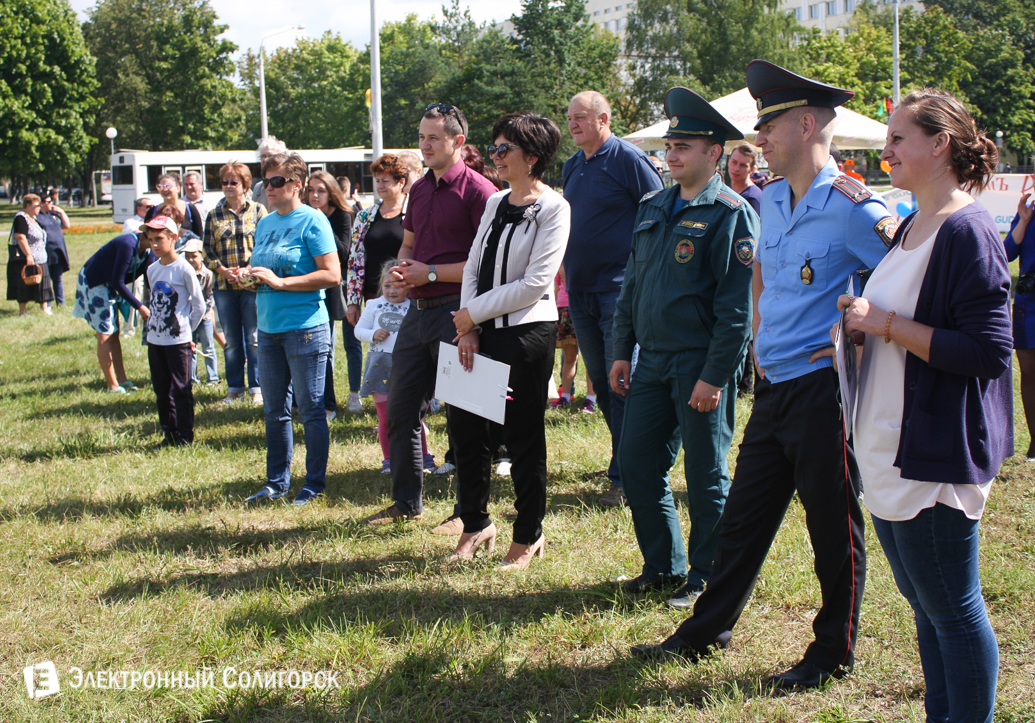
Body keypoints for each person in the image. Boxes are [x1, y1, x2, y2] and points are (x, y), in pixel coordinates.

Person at [631, 61, 898, 691]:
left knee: (832, 527)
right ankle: (705, 631)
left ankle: (832, 652)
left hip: (823, 391)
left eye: (770, 125)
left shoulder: (855, 208)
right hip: (774, 385)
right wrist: (757, 339)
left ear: (805, 125)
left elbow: (909, 277)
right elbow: (760, 278)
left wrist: (863, 339)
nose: (759, 138)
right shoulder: (771, 198)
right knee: (743, 519)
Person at [845, 88, 1010, 723]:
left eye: (897, 139)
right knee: (928, 606)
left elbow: (987, 351)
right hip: (892, 448)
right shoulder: (915, 222)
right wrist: (862, 326)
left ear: (939, 144)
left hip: (935, 454)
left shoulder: (967, 230)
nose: (885, 151)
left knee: (953, 610)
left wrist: (884, 324)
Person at [610, 87, 757, 606]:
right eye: (670, 146)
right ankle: (662, 567)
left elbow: (736, 310)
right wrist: (621, 349)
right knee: (637, 462)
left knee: (705, 474)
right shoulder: (652, 205)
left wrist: (714, 376)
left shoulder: (731, 213)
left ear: (714, 152)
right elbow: (632, 286)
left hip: (700, 363)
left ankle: (709, 577)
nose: (672, 155)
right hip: (652, 360)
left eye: (684, 146)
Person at [361, 103, 498, 531]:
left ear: (458, 141)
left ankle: (469, 514)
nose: (425, 145)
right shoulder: (418, 190)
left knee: (466, 420)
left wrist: (432, 273)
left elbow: (487, 265)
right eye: (421, 137)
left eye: (434, 137)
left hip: (460, 314)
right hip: (416, 314)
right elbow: (409, 245)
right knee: (400, 412)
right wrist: (401, 271)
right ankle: (406, 502)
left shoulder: (480, 191)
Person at [448, 111, 569, 570]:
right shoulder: (496, 201)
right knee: (466, 431)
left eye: (505, 149)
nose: (495, 156)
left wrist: (472, 315)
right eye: (494, 148)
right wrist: (468, 327)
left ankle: (528, 533)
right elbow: (473, 265)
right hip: (478, 330)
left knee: (521, 437)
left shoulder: (555, 208)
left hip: (525, 334)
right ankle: (475, 523)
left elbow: (535, 283)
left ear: (532, 157)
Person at [563, 90, 664, 507]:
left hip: (620, 291)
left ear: (603, 119)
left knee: (623, 382)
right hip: (580, 291)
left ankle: (628, 478)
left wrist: (645, 274)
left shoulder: (629, 159)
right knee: (603, 386)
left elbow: (660, 212)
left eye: (580, 117)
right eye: (569, 117)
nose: (572, 124)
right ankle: (624, 458)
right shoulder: (572, 165)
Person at [243, 152, 340, 507]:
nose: (268, 188)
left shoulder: (312, 220)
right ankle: (276, 483)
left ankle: (314, 484)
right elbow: (267, 269)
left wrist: (282, 283)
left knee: (311, 409)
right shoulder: (266, 223)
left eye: (276, 181)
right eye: (265, 181)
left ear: (297, 185)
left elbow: (332, 274)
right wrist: (250, 277)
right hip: (269, 328)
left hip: (305, 328)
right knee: (274, 411)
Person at [346, 155, 410, 412]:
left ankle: (415, 407)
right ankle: (385, 409)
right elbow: (354, 260)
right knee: (380, 350)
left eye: (386, 181)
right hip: (376, 296)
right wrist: (353, 301)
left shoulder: (414, 213)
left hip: (408, 295)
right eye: (377, 181)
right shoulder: (365, 216)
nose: (380, 186)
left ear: (401, 182)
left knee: (408, 351)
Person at [203, 161, 268, 405]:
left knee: (253, 338)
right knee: (231, 339)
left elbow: (264, 244)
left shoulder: (258, 210)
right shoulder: (214, 215)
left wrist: (247, 269)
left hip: (251, 285)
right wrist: (222, 270)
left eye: (234, 182)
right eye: (224, 182)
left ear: (245, 184)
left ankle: (257, 388)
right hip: (224, 287)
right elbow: (207, 250)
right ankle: (234, 388)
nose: (229, 186)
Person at [72, 224, 157, 392]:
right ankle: (112, 385)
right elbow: (118, 281)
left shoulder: (149, 251)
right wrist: (139, 307)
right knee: (105, 333)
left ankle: (122, 380)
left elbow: (149, 279)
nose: (159, 243)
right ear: (148, 234)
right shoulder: (128, 244)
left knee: (114, 333)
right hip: (95, 282)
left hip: (110, 285)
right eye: (157, 238)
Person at [144, 216, 205, 448]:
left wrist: (187, 331)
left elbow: (199, 305)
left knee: (181, 389)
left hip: (178, 341)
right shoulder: (152, 269)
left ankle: (185, 436)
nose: (154, 244)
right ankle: (168, 433)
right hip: (155, 340)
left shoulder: (184, 269)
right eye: (150, 239)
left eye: (159, 238)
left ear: (173, 238)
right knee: (161, 389)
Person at [355, 259, 417, 474]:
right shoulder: (374, 305)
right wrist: (373, 334)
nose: (392, 291)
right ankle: (389, 460)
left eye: (398, 286)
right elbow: (358, 330)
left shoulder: (414, 306)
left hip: (408, 365)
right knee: (385, 418)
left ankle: (423, 457)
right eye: (387, 285)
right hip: (380, 365)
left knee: (414, 417)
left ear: (408, 286)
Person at [307, 171, 357, 420]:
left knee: (351, 340)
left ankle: (354, 394)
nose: (315, 195)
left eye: (321, 190)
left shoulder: (343, 215)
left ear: (331, 192)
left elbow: (345, 252)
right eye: (311, 190)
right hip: (314, 283)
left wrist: (322, 222)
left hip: (341, 283)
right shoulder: (305, 215)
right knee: (322, 344)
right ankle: (325, 401)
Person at [1005, 191, 1035, 459]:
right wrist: (1024, 221)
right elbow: (1006, 253)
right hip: (1029, 302)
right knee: (1029, 372)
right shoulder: (1029, 210)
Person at [550, 269, 597, 412]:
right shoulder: (561, 261)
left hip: (583, 306)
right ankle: (565, 396)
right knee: (569, 358)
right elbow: (557, 287)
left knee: (590, 358)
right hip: (564, 308)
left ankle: (591, 398)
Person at [7, 194, 54, 316]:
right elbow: (20, 237)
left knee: (43, 284)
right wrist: (28, 255)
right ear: (28, 205)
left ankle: (45, 308)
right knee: (24, 285)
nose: (39, 208)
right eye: (36, 205)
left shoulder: (33, 218)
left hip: (40, 258)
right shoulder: (21, 218)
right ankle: (22, 311)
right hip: (27, 259)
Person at [182, 238, 219, 386]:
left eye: (194, 256)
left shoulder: (208, 274)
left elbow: (210, 296)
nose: (190, 259)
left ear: (201, 256)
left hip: (204, 316)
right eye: (187, 256)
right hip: (189, 316)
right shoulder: (184, 272)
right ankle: (192, 378)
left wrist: (205, 311)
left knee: (208, 347)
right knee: (191, 348)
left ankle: (213, 378)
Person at [143, 173, 203, 239]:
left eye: (168, 186)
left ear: (178, 188)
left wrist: (184, 232)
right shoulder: (152, 211)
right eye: (160, 186)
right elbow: (146, 237)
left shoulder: (190, 208)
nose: (164, 189)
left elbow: (199, 236)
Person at [37, 194, 71, 307]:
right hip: (46, 251)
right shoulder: (38, 217)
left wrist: (61, 212)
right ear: (41, 204)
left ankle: (61, 303)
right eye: (48, 202)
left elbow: (66, 225)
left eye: (51, 201)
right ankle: (48, 304)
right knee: (46, 279)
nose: (51, 204)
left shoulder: (54, 215)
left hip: (58, 251)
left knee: (58, 278)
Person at [727, 143, 762, 215]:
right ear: (728, 161)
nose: (736, 169)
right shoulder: (729, 191)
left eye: (743, 165)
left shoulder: (752, 198)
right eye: (734, 162)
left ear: (752, 169)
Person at [253, 136, 287, 210]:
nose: (265, 160)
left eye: (270, 156)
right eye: (263, 156)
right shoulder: (258, 188)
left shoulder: (287, 184)